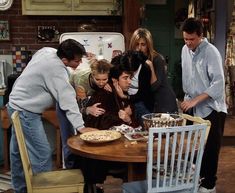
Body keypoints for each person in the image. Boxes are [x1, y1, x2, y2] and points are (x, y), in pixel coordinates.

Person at [7, 39, 96, 193]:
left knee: (18, 154)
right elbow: (67, 99)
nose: (80, 62)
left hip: (14, 104)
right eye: (77, 60)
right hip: (26, 111)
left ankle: (20, 189)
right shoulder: (56, 70)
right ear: (64, 59)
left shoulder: (47, 51)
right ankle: (43, 190)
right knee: (42, 155)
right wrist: (81, 127)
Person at [180, 18, 227, 193]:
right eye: (185, 39)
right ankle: (196, 182)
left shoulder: (211, 52)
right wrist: (186, 100)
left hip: (212, 108)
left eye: (191, 39)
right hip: (193, 107)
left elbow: (218, 83)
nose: (188, 43)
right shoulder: (185, 49)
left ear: (201, 35)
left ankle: (209, 186)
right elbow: (188, 78)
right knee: (194, 148)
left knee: (210, 150)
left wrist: (195, 100)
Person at [57, 58, 112, 169]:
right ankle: (71, 171)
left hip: (84, 102)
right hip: (66, 102)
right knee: (69, 138)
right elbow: (77, 108)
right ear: (92, 75)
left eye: (104, 79)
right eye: (98, 80)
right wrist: (87, 109)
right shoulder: (81, 80)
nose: (101, 83)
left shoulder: (106, 80)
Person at [129, 28, 178, 123]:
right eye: (137, 44)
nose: (139, 48)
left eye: (143, 44)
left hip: (164, 101)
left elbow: (154, 87)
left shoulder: (157, 59)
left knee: (163, 135)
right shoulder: (134, 59)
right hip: (149, 102)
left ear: (148, 45)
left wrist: (151, 67)